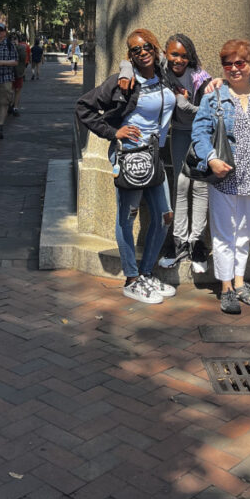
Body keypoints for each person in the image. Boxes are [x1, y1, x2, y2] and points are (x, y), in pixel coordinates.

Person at [76, 29, 194, 305]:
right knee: (126, 219)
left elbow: (191, 65)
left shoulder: (164, 75)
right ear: (129, 55)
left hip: (154, 157)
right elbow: (84, 107)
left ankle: (145, 273)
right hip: (130, 157)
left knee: (164, 216)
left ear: (155, 48)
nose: (141, 53)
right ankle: (131, 279)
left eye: (146, 48)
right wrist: (112, 132)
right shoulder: (122, 83)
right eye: (134, 50)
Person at [191, 39, 250, 314]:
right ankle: (226, 286)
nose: (234, 69)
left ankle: (241, 282)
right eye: (228, 64)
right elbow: (199, 133)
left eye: (240, 63)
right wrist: (211, 159)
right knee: (224, 231)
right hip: (225, 174)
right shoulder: (214, 96)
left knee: (243, 233)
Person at [118, 35, 211, 271]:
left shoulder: (201, 78)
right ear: (166, 55)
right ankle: (179, 241)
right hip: (178, 133)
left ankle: (196, 242)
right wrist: (125, 70)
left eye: (183, 55)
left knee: (200, 187)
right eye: (174, 55)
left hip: (202, 135)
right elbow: (129, 59)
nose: (178, 59)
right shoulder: (161, 69)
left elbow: (204, 111)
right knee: (179, 185)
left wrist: (189, 103)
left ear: (190, 56)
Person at [9, 33, 30, 116]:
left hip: (18, 72)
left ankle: (15, 107)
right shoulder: (7, 48)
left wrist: (17, 47)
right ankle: (10, 104)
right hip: (8, 73)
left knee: (17, 90)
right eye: (12, 39)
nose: (13, 41)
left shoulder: (21, 48)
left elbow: (23, 58)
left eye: (15, 39)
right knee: (9, 91)